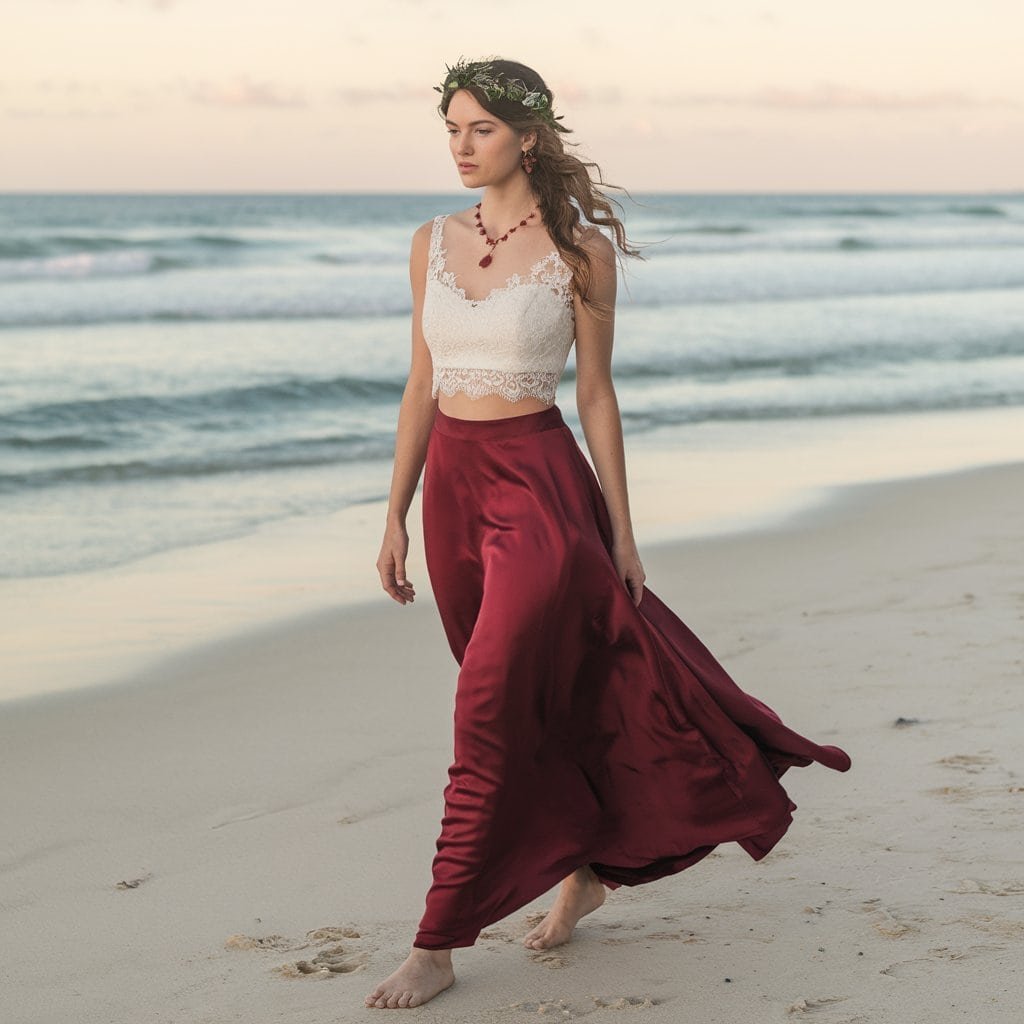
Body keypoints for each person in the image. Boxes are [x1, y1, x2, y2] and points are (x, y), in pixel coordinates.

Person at [366, 56, 852, 1011]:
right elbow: (421, 384)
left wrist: (623, 534)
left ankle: (437, 941)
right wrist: (393, 512)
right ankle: (585, 869)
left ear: (528, 137)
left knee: (484, 714)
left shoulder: (581, 252)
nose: (462, 147)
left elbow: (594, 395)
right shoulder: (428, 242)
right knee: (535, 700)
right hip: (454, 498)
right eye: (452, 129)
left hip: (540, 493)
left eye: (481, 129)